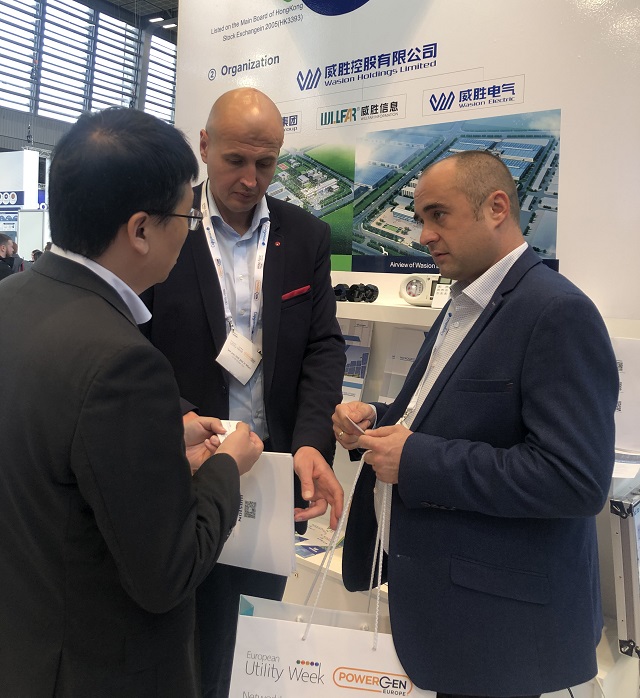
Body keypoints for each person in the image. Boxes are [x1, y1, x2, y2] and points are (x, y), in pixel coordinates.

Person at [333, 150, 618, 698]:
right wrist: (379, 419)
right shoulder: (465, 302)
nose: (423, 236)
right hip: (448, 605)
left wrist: (415, 460)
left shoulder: (557, 312)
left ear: (497, 207)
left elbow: (575, 479)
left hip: (498, 627)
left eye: (438, 215)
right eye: (420, 218)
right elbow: (459, 419)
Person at [0, 107, 264, 698]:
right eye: (186, 216)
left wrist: (158, 441)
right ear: (141, 230)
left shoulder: (12, 300)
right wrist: (226, 467)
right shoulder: (124, 361)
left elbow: (52, 457)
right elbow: (167, 572)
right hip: (96, 665)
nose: (189, 232)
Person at [141, 86, 346, 697]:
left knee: (250, 641)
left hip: (274, 473)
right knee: (176, 639)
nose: (251, 179)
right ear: (204, 147)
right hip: (184, 468)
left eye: (266, 163)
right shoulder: (162, 228)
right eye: (235, 160)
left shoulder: (305, 236)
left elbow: (323, 346)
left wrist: (311, 441)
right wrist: (179, 419)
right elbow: (132, 346)